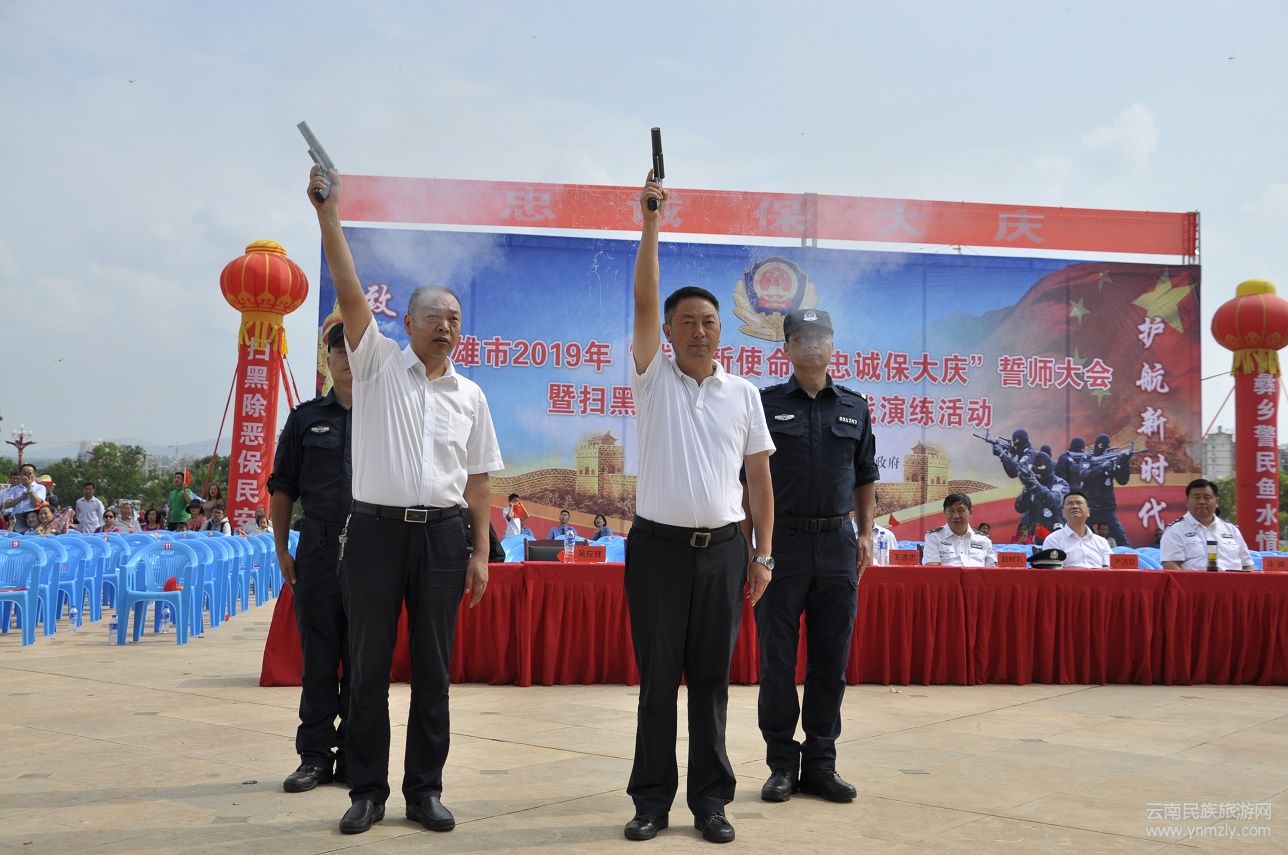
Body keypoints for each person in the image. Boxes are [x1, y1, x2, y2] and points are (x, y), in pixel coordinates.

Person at [309, 164, 503, 835]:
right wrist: (328, 213)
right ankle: (366, 790)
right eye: (434, 316)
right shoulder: (377, 363)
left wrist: (481, 553)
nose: (445, 326)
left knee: (434, 669)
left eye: (454, 318)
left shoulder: (471, 395)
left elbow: (479, 482)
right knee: (367, 666)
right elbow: (348, 288)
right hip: (374, 534)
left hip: (443, 537)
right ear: (408, 322)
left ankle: (425, 791)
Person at [622, 171, 775, 845]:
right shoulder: (652, 379)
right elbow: (643, 299)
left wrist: (763, 554)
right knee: (659, 682)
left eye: (709, 322)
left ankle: (711, 801)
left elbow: (759, 481)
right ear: (667, 332)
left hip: (722, 553)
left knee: (711, 682)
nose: (699, 331)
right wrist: (651, 221)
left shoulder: (743, 394)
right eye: (686, 322)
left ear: (722, 332)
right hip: (657, 550)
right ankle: (651, 801)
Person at [750, 307, 877, 809]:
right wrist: (753, 548)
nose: (812, 344)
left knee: (831, 659)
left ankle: (822, 763)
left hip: (837, 544)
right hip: (780, 545)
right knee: (777, 660)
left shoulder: (854, 406)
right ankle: (782, 764)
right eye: (801, 337)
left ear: (832, 345)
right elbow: (748, 480)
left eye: (821, 336)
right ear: (786, 347)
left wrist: (865, 533)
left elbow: (865, 475)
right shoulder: (763, 404)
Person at [269, 322, 355, 797]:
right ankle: (315, 756)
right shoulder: (305, 419)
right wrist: (282, 549)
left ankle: (356, 755)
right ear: (328, 359)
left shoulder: (387, 416)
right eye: (340, 351)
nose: (349, 359)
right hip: (318, 550)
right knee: (319, 656)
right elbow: (283, 488)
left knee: (364, 658)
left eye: (357, 350)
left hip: (371, 550)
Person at [1160, 479, 1254, 571]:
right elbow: (1170, 565)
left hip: (1233, 581)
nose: (1202, 501)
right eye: (1196, 497)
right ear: (1187, 502)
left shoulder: (1231, 530)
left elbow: (1247, 565)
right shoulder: (1175, 530)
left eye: (1207, 497)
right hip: (1195, 581)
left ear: (1217, 502)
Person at [1079, 433, 1133, 546]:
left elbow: (1122, 480)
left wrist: (1124, 463)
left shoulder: (1112, 459)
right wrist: (1101, 468)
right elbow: (1084, 475)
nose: (1107, 448)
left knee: (1121, 540)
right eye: (1104, 446)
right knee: (1080, 539)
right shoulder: (1088, 458)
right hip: (1089, 508)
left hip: (1107, 508)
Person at [1039, 491, 1111, 568]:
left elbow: (1111, 568)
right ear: (1063, 513)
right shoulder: (1053, 540)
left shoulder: (1102, 542)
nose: (1075, 506)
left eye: (1080, 503)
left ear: (1088, 512)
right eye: (1070, 503)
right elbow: (1054, 572)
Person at [923, 493, 997, 567]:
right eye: (951, 511)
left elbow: (992, 569)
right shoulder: (934, 537)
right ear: (945, 513)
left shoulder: (984, 540)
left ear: (970, 513)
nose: (956, 516)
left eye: (960, 510)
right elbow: (932, 569)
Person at [1014, 451, 1070, 532]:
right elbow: (1020, 508)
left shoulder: (1060, 483)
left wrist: (1036, 485)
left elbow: (1056, 501)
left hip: (1053, 529)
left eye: (1041, 466)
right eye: (1035, 467)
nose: (1037, 469)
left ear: (1048, 466)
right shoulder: (1032, 483)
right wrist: (1026, 490)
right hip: (1033, 529)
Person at [3, 464, 47, 530]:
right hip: (16, 521)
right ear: (20, 475)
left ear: (34, 474)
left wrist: (28, 487)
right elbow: (6, 505)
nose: (27, 475)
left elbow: (37, 502)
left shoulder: (40, 487)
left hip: (32, 521)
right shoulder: (14, 489)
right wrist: (21, 497)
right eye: (24, 473)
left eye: (30, 473)